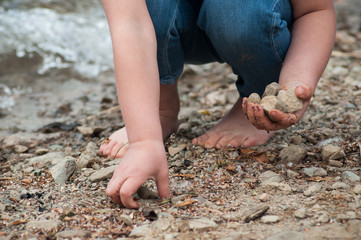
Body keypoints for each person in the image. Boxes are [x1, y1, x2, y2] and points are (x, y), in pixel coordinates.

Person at [100, 0, 336, 208]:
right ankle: (160, 106)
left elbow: (314, 10)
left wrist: (295, 82)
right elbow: (131, 23)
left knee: (239, 9)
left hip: (251, 18)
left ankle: (258, 96)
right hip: (177, 19)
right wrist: (144, 140)